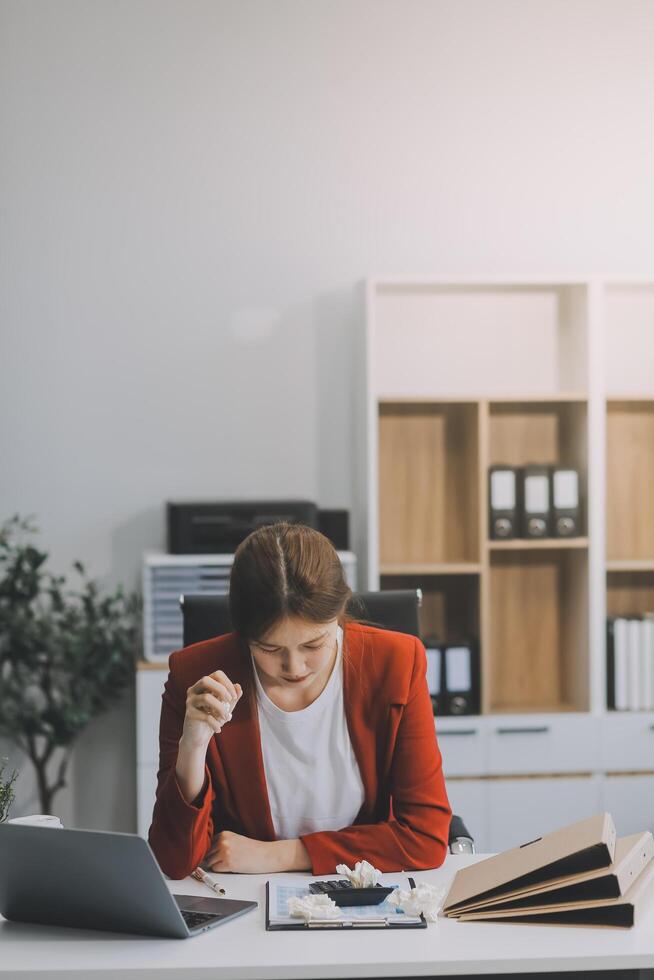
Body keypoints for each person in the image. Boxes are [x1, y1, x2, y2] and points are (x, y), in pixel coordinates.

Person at [148, 523, 451, 879]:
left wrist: (284, 855)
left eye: (313, 645)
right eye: (270, 648)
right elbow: (174, 860)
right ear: (243, 635)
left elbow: (425, 838)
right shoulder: (195, 675)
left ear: (338, 615)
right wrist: (193, 747)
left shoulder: (396, 663)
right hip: (244, 903)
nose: (294, 667)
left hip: (358, 896)